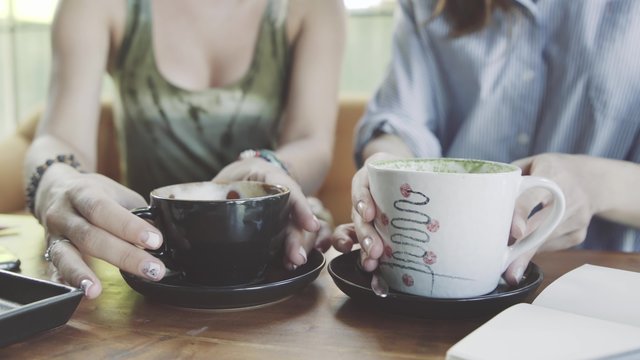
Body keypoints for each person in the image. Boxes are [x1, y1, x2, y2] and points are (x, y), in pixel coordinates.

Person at [24, 0, 345, 298]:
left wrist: (268, 165)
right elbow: (59, 137)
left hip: (272, 257)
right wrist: (57, 186)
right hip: (154, 262)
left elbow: (311, 140)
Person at [331, 0, 640, 286]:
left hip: (601, 288)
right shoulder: (425, 5)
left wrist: (597, 185)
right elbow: (401, 122)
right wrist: (386, 169)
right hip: (443, 283)